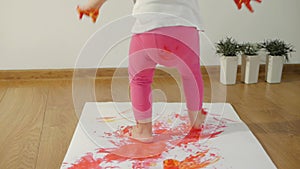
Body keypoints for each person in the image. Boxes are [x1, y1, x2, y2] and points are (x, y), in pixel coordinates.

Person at [77, 0, 261, 143]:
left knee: (140, 79)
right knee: (191, 75)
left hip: (149, 31)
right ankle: (196, 120)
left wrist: (93, 5)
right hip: (185, 29)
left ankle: (143, 130)